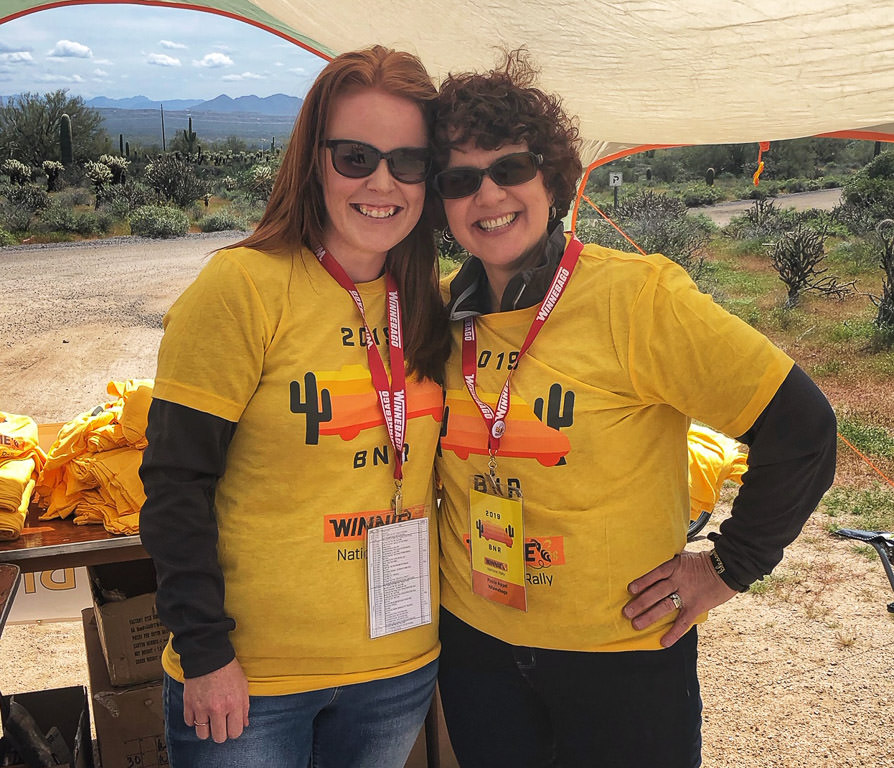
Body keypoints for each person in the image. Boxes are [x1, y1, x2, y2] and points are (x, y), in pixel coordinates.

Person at [431, 53, 837, 768]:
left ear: (552, 178)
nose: (488, 194)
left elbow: (803, 430)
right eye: (460, 179)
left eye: (511, 168)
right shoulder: (441, 313)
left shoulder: (638, 298)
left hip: (620, 655)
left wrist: (728, 569)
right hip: (476, 649)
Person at [139, 45, 450, 768]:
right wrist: (205, 651)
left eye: (408, 161)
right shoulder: (242, 287)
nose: (383, 183)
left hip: (395, 671)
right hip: (253, 681)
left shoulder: (430, 303)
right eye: (355, 157)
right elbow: (174, 483)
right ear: (313, 160)